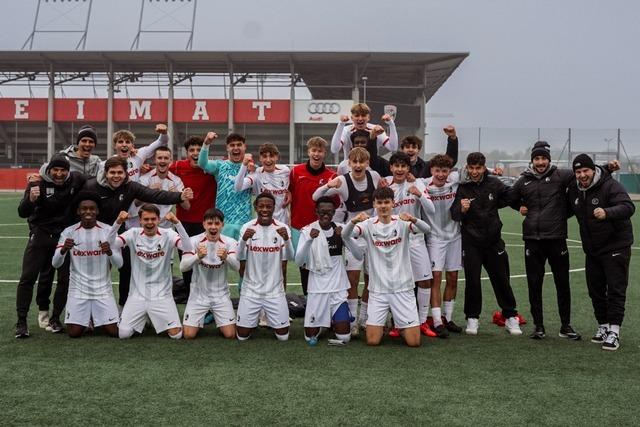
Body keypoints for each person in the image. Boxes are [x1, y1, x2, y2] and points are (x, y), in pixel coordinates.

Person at [82, 156, 193, 307]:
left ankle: (123, 306)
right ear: (105, 173)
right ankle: (91, 309)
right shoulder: (92, 186)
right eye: (112, 172)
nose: (116, 176)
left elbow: (154, 195)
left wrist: (179, 196)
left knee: (126, 267)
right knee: (96, 270)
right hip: (94, 233)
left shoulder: (131, 187)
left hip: (118, 230)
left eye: (120, 172)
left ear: (126, 173)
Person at [509, 141, 583, 340]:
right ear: (532, 160)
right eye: (537, 158)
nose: (540, 162)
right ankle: (539, 326)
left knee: (562, 283)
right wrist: (519, 207)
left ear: (549, 160)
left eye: (543, 158)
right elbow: (509, 197)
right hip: (532, 240)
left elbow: (584, 172)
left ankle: (565, 326)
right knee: (534, 283)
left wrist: (609, 168)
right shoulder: (523, 180)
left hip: (556, 238)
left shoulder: (562, 175)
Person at [342, 187, 431, 347]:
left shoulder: (402, 222)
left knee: (414, 342)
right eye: (380, 203)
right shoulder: (368, 225)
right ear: (374, 204)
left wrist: (413, 219)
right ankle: (385, 325)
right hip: (378, 291)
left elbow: (427, 229)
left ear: (393, 203)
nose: (383, 206)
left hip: (403, 289)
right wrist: (353, 221)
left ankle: (402, 325)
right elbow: (345, 235)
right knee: (372, 341)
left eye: (387, 202)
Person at [567, 153, 635, 351]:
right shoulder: (575, 189)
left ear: (593, 170)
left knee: (615, 289)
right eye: (578, 172)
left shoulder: (610, 186)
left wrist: (607, 212)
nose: (582, 175)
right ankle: (603, 326)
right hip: (593, 249)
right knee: (595, 290)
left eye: (585, 170)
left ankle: (615, 331)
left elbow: (628, 207)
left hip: (616, 246)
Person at [450, 152, 522, 336]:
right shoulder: (462, 187)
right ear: (467, 167)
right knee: (472, 281)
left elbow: (511, 197)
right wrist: (461, 209)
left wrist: (521, 206)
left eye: (478, 168)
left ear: (484, 168)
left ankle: (510, 316)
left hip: (493, 241)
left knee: (502, 279)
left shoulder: (494, 184)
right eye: (471, 168)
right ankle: (472, 318)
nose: (474, 172)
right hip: (471, 242)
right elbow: (453, 214)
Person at [15, 154, 86, 338]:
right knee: (27, 277)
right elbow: (22, 212)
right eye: (56, 169)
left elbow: (97, 178)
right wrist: (30, 198)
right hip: (41, 235)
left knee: (65, 279)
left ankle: (55, 318)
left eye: (63, 170)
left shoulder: (76, 179)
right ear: (49, 170)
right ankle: (21, 322)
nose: (59, 173)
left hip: (64, 237)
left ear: (68, 170)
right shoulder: (37, 183)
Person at [313, 147, 382, 336]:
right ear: (349, 163)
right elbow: (315, 197)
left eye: (362, 162)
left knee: (372, 278)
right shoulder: (343, 180)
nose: (358, 165)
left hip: (373, 234)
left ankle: (364, 318)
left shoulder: (374, 177)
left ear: (367, 164)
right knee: (352, 278)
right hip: (353, 235)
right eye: (355, 162)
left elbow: (383, 197)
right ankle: (351, 321)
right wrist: (328, 185)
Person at [381, 152, 439, 337]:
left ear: (408, 168)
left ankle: (422, 322)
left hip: (415, 240)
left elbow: (431, 210)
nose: (399, 170)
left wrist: (420, 194)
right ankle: (398, 323)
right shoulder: (384, 183)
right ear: (391, 167)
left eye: (403, 166)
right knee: (396, 283)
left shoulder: (417, 183)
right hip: (394, 241)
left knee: (424, 281)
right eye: (396, 166)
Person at [113, 205, 194, 339]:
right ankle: (145, 317)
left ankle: (152, 316)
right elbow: (111, 245)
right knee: (123, 334)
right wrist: (117, 223)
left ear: (159, 219)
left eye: (153, 219)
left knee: (177, 335)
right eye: (146, 219)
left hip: (162, 296)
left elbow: (187, 247)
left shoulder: (168, 234)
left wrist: (177, 223)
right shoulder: (133, 233)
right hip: (137, 295)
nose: (149, 222)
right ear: (140, 220)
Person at [51, 193, 122, 338]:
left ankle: (94, 318)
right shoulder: (69, 232)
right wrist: (63, 250)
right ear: (78, 211)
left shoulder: (108, 231)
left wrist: (109, 252)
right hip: (78, 290)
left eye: (92, 209)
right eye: (84, 209)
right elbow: (55, 263)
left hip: (102, 290)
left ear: (97, 211)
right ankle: (88, 318)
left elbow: (119, 264)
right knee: (74, 333)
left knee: (114, 332)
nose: (88, 212)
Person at [295, 197, 363, 344]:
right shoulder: (308, 231)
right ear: (316, 211)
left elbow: (358, 256)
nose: (326, 215)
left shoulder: (341, 228)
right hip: (317, 289)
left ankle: (333, 320)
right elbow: (299, 261)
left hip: (338, 289)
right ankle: (322, 325)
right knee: (309, 337)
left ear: (334, 212)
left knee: (344, 337)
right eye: (322, 212)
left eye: (329, 212)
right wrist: (309, 240)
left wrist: (346, 238)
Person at [236, 193, 294, 341]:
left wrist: (286, 240)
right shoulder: (247, 227)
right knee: (242, 336)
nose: (265, 210)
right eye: (261, 206)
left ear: (274, 208)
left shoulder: (282, 227)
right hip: (251, 290)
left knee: (283, 337)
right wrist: (243, 240)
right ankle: (251, 318)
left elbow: (291, 257)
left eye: (269, 206)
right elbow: (238, 255)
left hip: (274, 291)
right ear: (255, 208)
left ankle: (269, 316)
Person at [289, 137, 338, 295]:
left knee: (323, 262)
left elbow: (335, 203)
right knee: (304, 264)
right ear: (308, 151)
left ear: (324, 154)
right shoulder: (296, 171)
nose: (316, 154)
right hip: (299, 226)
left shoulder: (332, 176)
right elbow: (288, 191)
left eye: (320, 151)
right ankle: (308, 298)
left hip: (322, 228)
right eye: (314, 150)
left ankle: (325, 297)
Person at [179, 208, 239, 339]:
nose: (213, 227)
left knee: (230, 335)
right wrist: (197, 256)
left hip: (221, 295)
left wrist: (226, 258)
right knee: (188, 335)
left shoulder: (230, 242)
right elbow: (183, 267)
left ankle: (220, 319)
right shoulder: (193, 241)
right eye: (210, 223)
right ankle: (199, 320)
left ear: (222, 225)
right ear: (204, 224)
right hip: (198, 295)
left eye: (217, 224)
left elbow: (237, 267)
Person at [168, 135, 217, 290]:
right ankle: (189, 293)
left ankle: (207, 292)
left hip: (206, 223)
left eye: (198, 149)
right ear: (186, 152)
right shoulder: (177, 167)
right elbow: (159, 168)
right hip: (184, 222)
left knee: (207, 259)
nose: (195, 153)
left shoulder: (211, 168)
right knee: (186, 258)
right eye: (191, 150)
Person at [422, 154, 464, 334]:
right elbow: (403, 179)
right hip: (435, 238)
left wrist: (495, 170)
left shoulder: (454, 180)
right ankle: (437, 320)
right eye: (437, 170)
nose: (441, 174)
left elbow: (471, 170)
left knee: (453, 277)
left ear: (450, 172)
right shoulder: (422, 184)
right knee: (436, 278)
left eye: (444, 171)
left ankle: (448, 318)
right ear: (431, 170)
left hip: (455, 236)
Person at [198, 132, 252, 240]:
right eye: (232, 145)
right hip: (224, 223)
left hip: (245, 222)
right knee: (224, 256)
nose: (235, 148)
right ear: (227, 148)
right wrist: (206, 143)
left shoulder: (252, 168)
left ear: (244, 147)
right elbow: (202, 164)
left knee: (243, 257)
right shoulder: (220, 166)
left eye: (239, 145)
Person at [133, 146, 190, 229]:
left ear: (170, 161)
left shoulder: (176, 180)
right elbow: (136, 203)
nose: (163, 161)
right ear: (154, 160)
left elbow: (187, 206)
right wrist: (148, 191)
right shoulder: (145, 178)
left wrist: (178, 195)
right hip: (147, 226)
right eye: (160, 158)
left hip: (167, 228)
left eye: (166, 158)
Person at [235, 143, 291, 224]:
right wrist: (244, 165)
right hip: (263, 224)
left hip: (282, 224)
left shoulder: (285, 171)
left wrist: (290, 192)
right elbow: (238, 187)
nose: (268, 160)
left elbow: (292, 185)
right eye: (264, 156)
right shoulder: (256, 174)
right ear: (260, 158)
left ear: (277, 157)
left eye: (271, 156)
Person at [331, 103, 398, 159]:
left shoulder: (376, 129)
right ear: (352, 118)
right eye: (357, 116)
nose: (360, 119)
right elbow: (334, 149)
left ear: (368, 117)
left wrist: (391, 124)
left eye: (363, 115)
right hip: (349, 170)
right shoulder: (345, 130)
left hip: (371, 169)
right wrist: (341, 124)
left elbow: (393, 147)